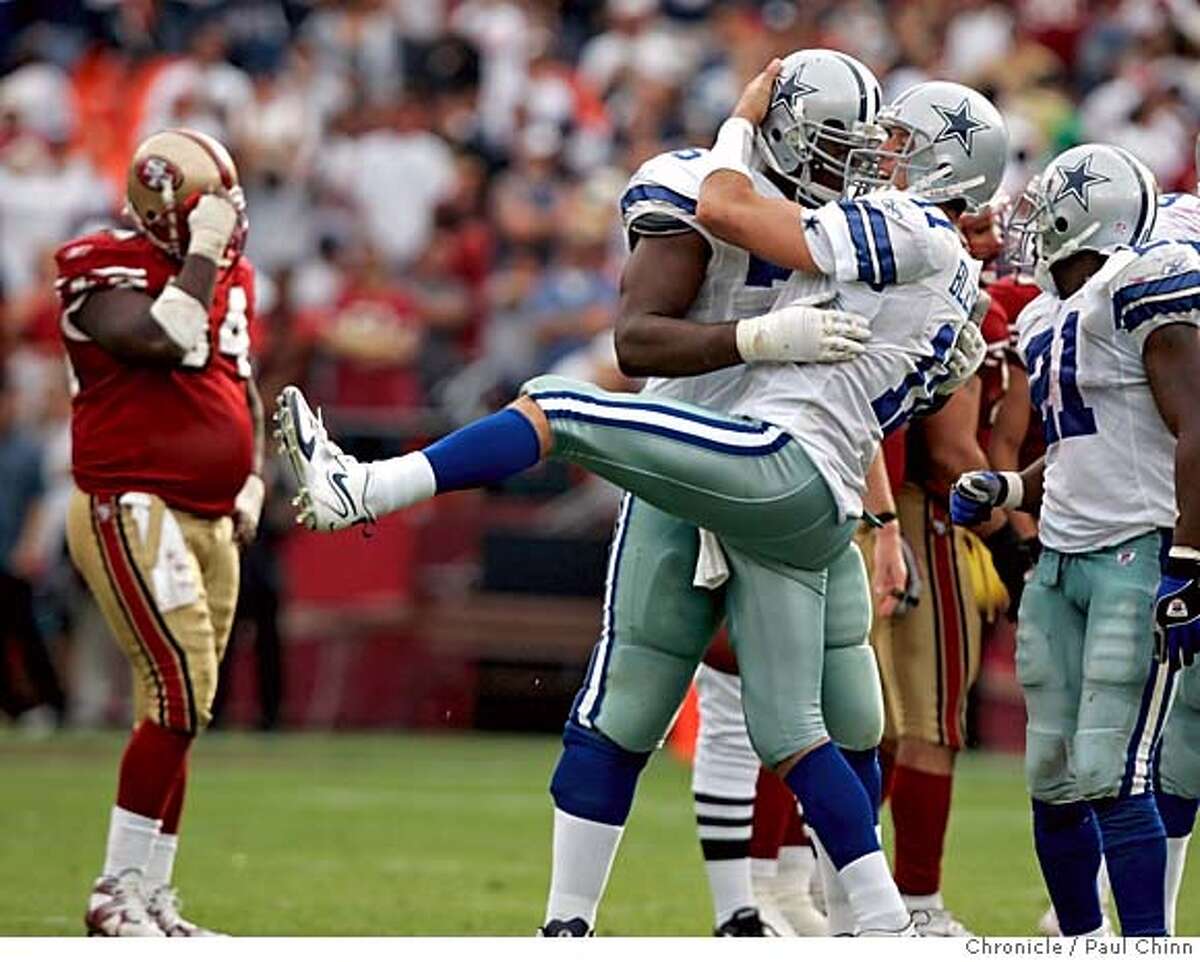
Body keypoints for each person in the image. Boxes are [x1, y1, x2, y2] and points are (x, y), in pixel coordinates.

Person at [275, 61, 1005, 937]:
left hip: (787, 471)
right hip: (700, 458)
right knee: (632, 705)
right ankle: (576, 925)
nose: (860, 161)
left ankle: (859, 916)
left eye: (876, 146)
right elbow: (638, 341)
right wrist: (755, 337)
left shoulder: (875, 227)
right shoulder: (703, 186)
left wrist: (878, 515)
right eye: (842, 142)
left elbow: (846, 363)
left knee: (844, 713)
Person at [951, 143, 1200, 937]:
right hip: (1060, 560)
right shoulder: (1048, 314)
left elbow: (1196, 427)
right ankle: (1082, 943)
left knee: (1112, 771)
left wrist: (1189, 563)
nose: (1029, 220)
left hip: (1137, 550)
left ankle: (1145, 945)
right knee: (1053, 776)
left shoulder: (1139, 287)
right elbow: (1072, 451)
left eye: (1045, 204)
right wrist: (1012, 488)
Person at [56, 129, 265, 937]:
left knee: (187, 705)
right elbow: (160, 337)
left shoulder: (231, 276)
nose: (226, 221)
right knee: (176, 693)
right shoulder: (96, 262)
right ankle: (115, 892)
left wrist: (251, 478)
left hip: (211, 515)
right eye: (208, 209)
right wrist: (202, 259)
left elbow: (234, 382)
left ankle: (151, 898)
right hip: (130, 501)